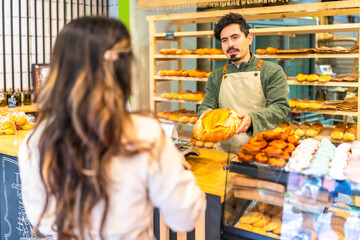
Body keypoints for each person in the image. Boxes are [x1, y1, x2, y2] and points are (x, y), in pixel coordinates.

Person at [18, 17, 205, 240]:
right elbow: (183, 216)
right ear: (123, 68)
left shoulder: (36, 140)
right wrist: (177, 168)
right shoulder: (144, 134)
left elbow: (42, 221)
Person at [198, 13, 289, 153]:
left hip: (261, 151)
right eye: (224, 40)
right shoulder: (215, 77)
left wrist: (252, 119)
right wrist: (206, 115)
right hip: (224, 152)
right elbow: (206, 106)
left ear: (249, 38)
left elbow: (280, 108)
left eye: (235, 37)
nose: (230, 45)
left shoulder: (272, 71)